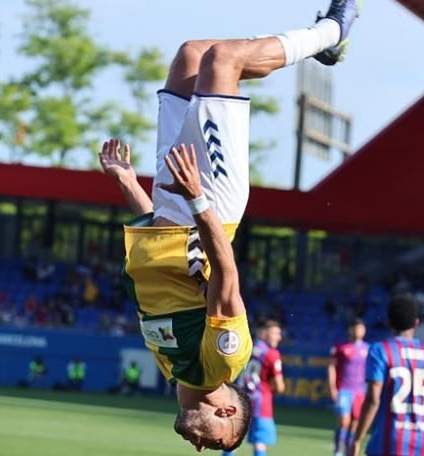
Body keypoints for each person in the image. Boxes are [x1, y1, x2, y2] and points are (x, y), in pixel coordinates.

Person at [100, 1, 359, 450]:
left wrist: (127, 182)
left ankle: (321, 43)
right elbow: (226, 275)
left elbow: (153, 239)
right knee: (223, 62)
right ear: (228, 412)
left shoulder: (171, 366)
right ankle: (330, 34)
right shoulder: (224, 362)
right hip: (209, 202)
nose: (201, 447)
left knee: (190, 57)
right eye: (218, 443)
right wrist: (199, 197)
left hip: (168, 201)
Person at [350, 295, 424, 456]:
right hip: (421, 445)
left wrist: (357, 439)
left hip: (388, 442)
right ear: (416, 323)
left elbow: (373, 400)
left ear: (389, 322)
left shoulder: (380, 351)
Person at [226, 320, 285, 456]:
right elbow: (280, 386)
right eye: (275, 333)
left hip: (239, 401)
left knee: (232, 440)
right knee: (260, 442)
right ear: (263, 333)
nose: (279, 337)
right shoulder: (272, 354)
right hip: (260, 403)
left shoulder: (244, 348)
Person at [329, 319, 369, 456]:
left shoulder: (367, 349)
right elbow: (332, 366)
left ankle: (349, 451)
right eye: (356, 328)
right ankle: (338, 450)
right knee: (344, 421)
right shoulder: (341, 347)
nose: (359, 331)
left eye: (361, 328)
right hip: (344, 390)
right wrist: (333, 387)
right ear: (350, 330)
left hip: (360, 392)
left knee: (355, 424)